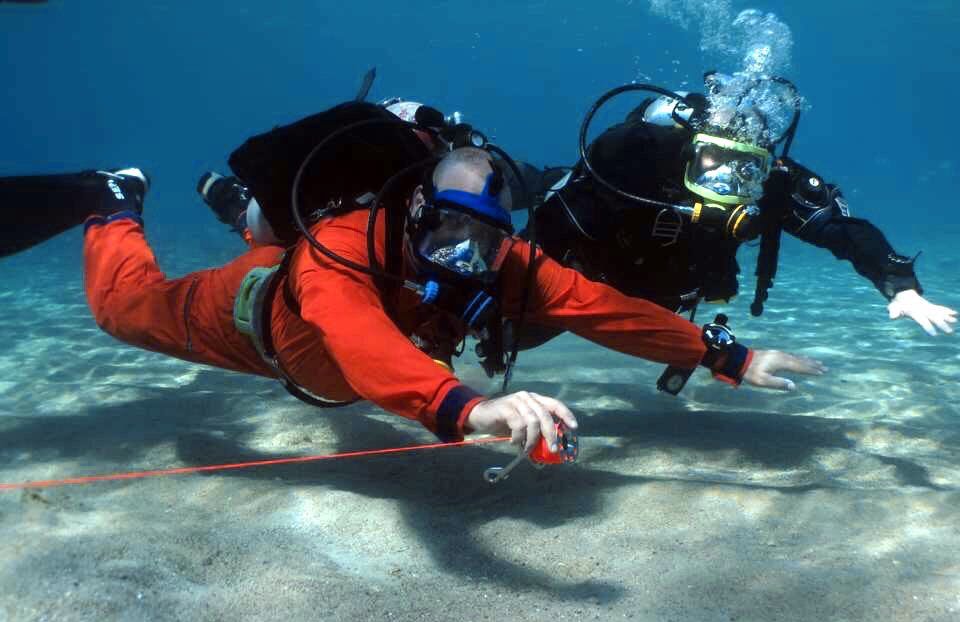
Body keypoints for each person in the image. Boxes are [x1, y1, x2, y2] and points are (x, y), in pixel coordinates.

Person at [73, 136, 824, 452]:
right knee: (119, 310)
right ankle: (114, 202)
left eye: (486, 241)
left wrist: (728, 357)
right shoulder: (344, 246)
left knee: (276, 238)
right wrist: (469, 408)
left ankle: (243, 209)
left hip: (308, 292)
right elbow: (359, 344)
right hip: (249, 319)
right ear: (416, 211)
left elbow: (604, 310)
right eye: (448, 233)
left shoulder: (507, 261)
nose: (466, 257)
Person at [520, 74, 955, 366]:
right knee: (512, 333)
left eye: (747, 166)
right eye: (713, 160)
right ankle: (521, 178)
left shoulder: (770, 184)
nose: (728, 179)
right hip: (586, 278)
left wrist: (899, 286)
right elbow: (553, 229)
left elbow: (842, 231)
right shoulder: (641, 162)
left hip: (659, 303)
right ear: (688, 152)